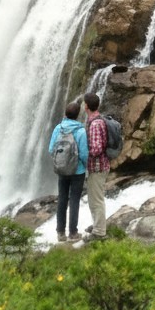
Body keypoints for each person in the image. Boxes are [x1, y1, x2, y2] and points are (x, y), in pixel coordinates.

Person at [48, 100, 88, 242]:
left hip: (62, 170)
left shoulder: (59, 128)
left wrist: (60, 161)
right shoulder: (81, 131)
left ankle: (60, 233)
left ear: (66, 113)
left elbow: (51, 148)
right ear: (78, 115)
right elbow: (83, 153)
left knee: (62, 199)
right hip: (78, 171)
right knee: (75, 200)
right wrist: (85, 165)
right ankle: (73, 233)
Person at [82, 92, 109, 240]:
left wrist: (84, 154)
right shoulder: (95, 119)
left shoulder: (95, 123)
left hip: (98, 166)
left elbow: (97, 148)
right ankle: (97, 224)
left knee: (97, 199)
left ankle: (99, 232)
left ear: (86, 106)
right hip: (98, 166)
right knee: (93, 198)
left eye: (84, 103)